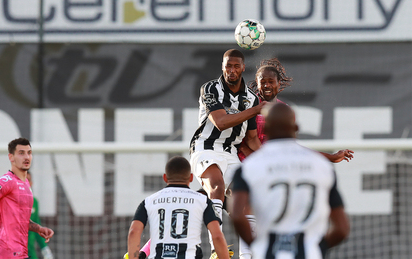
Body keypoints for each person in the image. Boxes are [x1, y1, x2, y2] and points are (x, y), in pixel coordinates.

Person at [236, 58, 353, 259]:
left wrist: (330, 156)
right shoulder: (248, 107)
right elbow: (241, 141)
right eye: (262, 81)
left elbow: (295, 149)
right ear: (256, 82)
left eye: (271, 81)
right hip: (251, 163)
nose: (266, 85)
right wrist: (317, 248)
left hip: (271, 167)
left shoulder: (283, 110)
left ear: (279, 84)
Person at [189, 49, 266, 258]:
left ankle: (247, 255)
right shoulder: (211, 88)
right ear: (222, 67)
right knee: (217, 185)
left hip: (230, 154)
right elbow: (221, 123)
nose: (231, 70)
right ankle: (217, 251)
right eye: (227, 66)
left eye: (235, 66)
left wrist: (272, 158)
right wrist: (255, 110)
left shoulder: (251, 98)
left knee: (246, 200)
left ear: (242, 67)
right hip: (205, 147)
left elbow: (251, 139)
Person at [127, 156, 230, 259]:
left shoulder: (149, 201)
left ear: (165, 177)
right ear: (191, 177)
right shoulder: (202, 201)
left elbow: (133, 232)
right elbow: (217, 236)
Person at [0, 137, 54, 259]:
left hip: (19, 253)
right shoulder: (6, 181)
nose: (26, 157)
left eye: (29, 153)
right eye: (21, 153)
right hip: (2, 253)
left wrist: (38, 228)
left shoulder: (26, 184)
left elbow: (21, 219)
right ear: (11, 157)